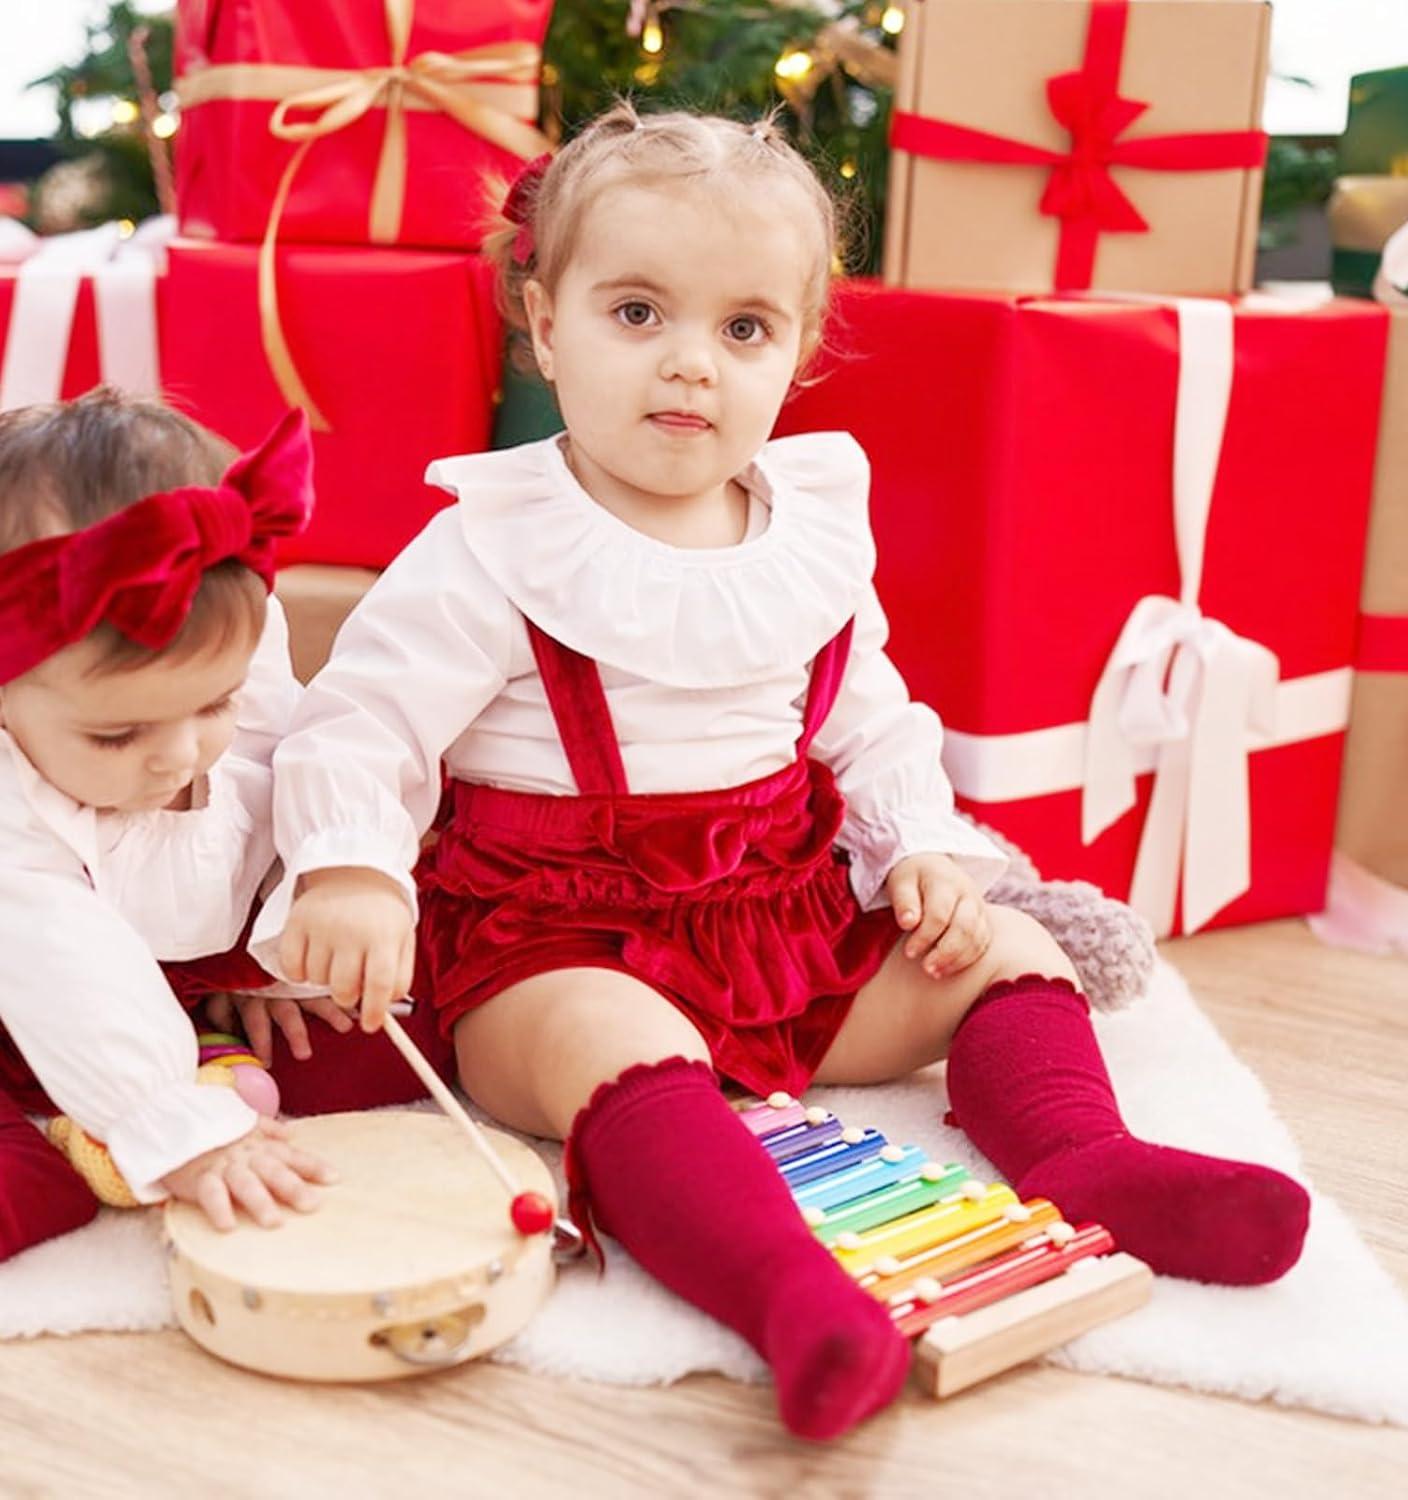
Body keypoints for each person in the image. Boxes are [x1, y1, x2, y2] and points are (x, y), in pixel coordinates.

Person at [256, 105, 1310, 1439]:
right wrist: (351, 869)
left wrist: (924, 847)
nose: (689, 366)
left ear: (801, 351)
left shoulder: (805, 536)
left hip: (780, 927)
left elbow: (871, 719)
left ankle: (1086, 1155)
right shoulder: (491, 548)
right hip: (553, 944)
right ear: (544, 323)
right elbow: (361, 725)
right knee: (615, 1043)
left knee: (998, 950)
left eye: (742, 329)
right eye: (637, 314)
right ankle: (783, 1288)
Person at [0, 391, 449, 1259]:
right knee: (34, 1190)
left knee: (410, 1015)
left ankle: (187, 1054)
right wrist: (172, 1119)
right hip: (33, 992)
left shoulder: (231, 667)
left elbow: (281, 775)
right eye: (118, 732)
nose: (178, 757)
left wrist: (279, 946)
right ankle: (78, 1118)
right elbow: (61, 963)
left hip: (179, 967)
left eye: (213, 703)